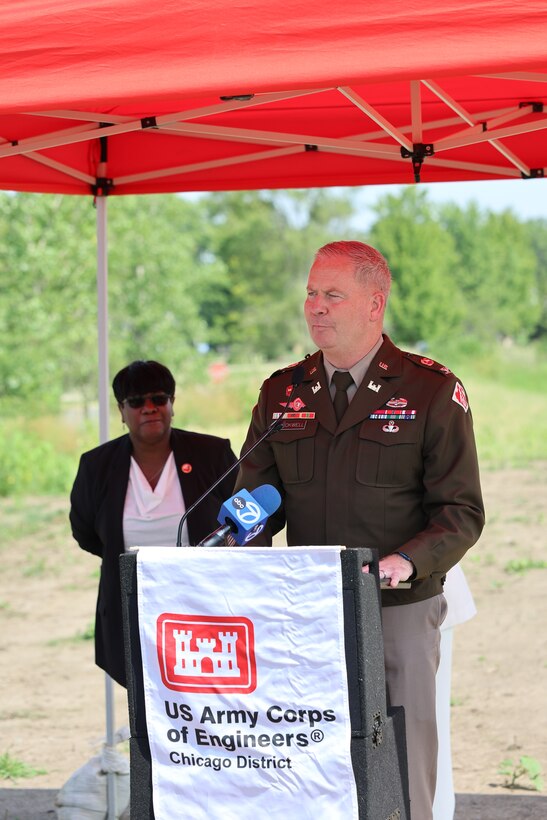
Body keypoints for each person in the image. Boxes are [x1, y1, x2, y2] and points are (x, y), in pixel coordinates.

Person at [234, 241, 485, 819]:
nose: (315, 306)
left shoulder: (429, 390)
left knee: (403, 760)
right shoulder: (284, 390)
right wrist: (234, 536)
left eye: (332, 294)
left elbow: (460, 511)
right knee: (316, 763)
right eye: (311, 293)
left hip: (397, 607)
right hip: (309, 611)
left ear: (375, 304)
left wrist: (406, 562)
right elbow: (257, 501)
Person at [70, 360, 237, 687]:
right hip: (132, 603)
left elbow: (240, 516)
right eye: (136, 402)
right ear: (121, 410)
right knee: (144, 699)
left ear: (172, 405)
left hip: (203, 602)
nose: (149, 409)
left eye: (159, 399)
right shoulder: (96, 465)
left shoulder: (211, 453)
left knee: (203, 693)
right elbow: (86, 532)